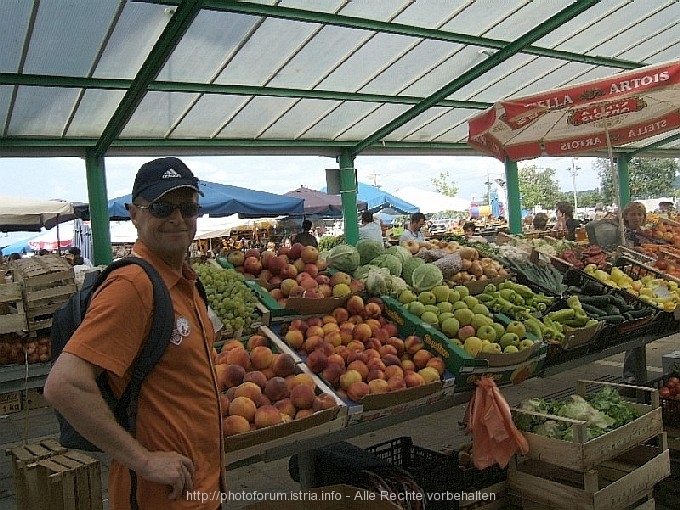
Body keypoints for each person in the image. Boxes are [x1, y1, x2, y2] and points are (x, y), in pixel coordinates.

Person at [44, 157, 225, 510]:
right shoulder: (133, 285)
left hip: (200, 491)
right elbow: (64, 384)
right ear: (135, 213)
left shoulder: (185, 283)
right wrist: (142, 460)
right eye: (161, 207)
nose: (177, 218)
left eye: (187, 207)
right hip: (159, 499)